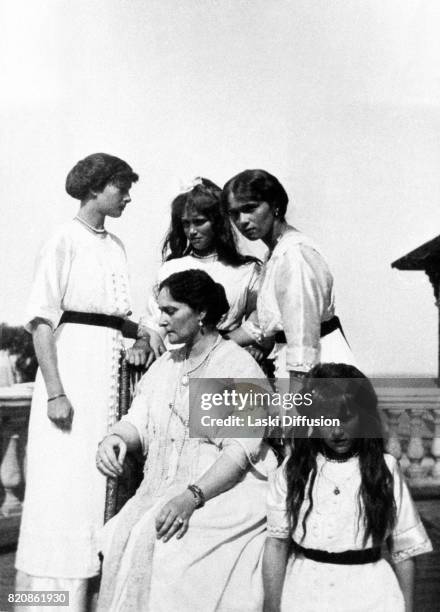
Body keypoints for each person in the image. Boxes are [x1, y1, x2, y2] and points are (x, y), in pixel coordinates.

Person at [96, 269, 277, 612]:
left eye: (171, 311)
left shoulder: (233, 367)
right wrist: (117, 437)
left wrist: (191, 497)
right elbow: (140, 421)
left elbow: (238, 453)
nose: (161, 322)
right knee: (122, 534)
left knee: (171, 554)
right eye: (160, 311)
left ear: (202, 313)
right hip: (164, 488)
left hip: (225, 490)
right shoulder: (166, 364)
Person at [15, 153, 145, 610]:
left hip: (107, 381)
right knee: (65, 492)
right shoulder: (61, 239)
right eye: (120, 187)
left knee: (98, 489)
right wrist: (55, 392)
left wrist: (142, 332)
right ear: (94, 188)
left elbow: (117, 317)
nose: (127, 196)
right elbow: (42, 322)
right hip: (71, 378)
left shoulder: (116, 245)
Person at [263, 363, 432, 612]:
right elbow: (276, 544)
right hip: (304, 593)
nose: (337, 431)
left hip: (371, 595)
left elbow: (404, 551)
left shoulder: (384, 469)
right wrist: (272, 606)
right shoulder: (293, 469)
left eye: (346, 418)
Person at [222, 169, 355, 390]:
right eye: (234, 214)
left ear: (275, 205)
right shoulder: (276, 254)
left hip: (317, 369)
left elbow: (303, 332)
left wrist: (296, 398)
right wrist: (217, 345)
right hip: (295, 365)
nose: (242, 220)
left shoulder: (294, 256)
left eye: (250, 208)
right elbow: (263, 321)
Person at [127, 177, 267, 367]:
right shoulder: (171, 268)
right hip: (178, 363)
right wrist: (144, 342)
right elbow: (155, 321)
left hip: (224, 362)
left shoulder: (247, 270)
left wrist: (227, 346)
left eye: (199, 222)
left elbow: (259, 321)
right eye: (186, 223)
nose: (191, 231)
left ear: (218, 223)